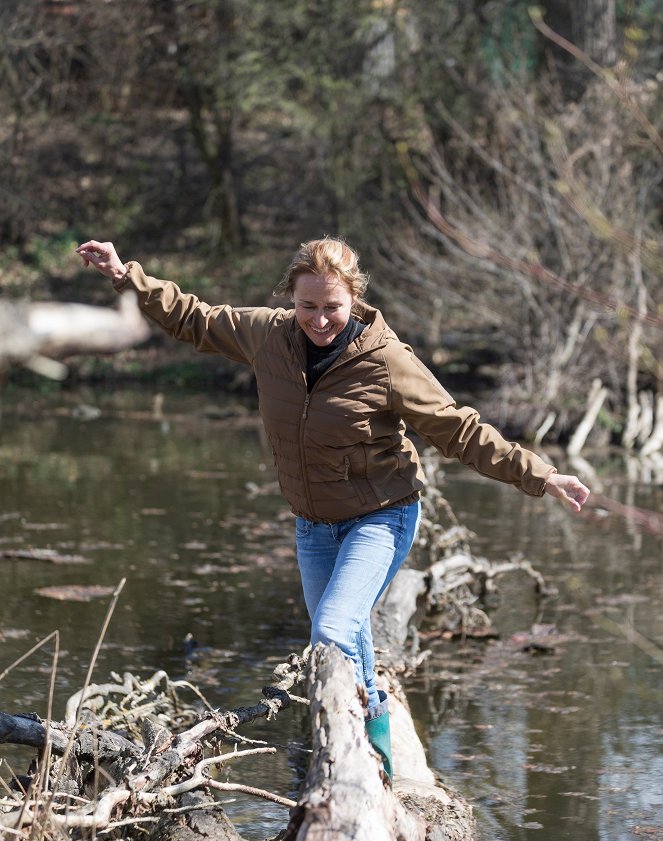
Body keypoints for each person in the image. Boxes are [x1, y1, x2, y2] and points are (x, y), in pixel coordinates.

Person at [76, 236, 590, 783]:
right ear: (290, 299)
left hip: (381, 516)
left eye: (332, 307)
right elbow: (193, 319)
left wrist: (542, 474)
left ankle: (351, 764)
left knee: (332, 631)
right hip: (313, 524)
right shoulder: (268, 334)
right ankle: (377, 750)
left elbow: (457, 428)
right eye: (307, 306)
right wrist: (123, 274)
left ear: (354, 300)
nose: (319, 320)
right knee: (351, 636)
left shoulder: (386, 360)